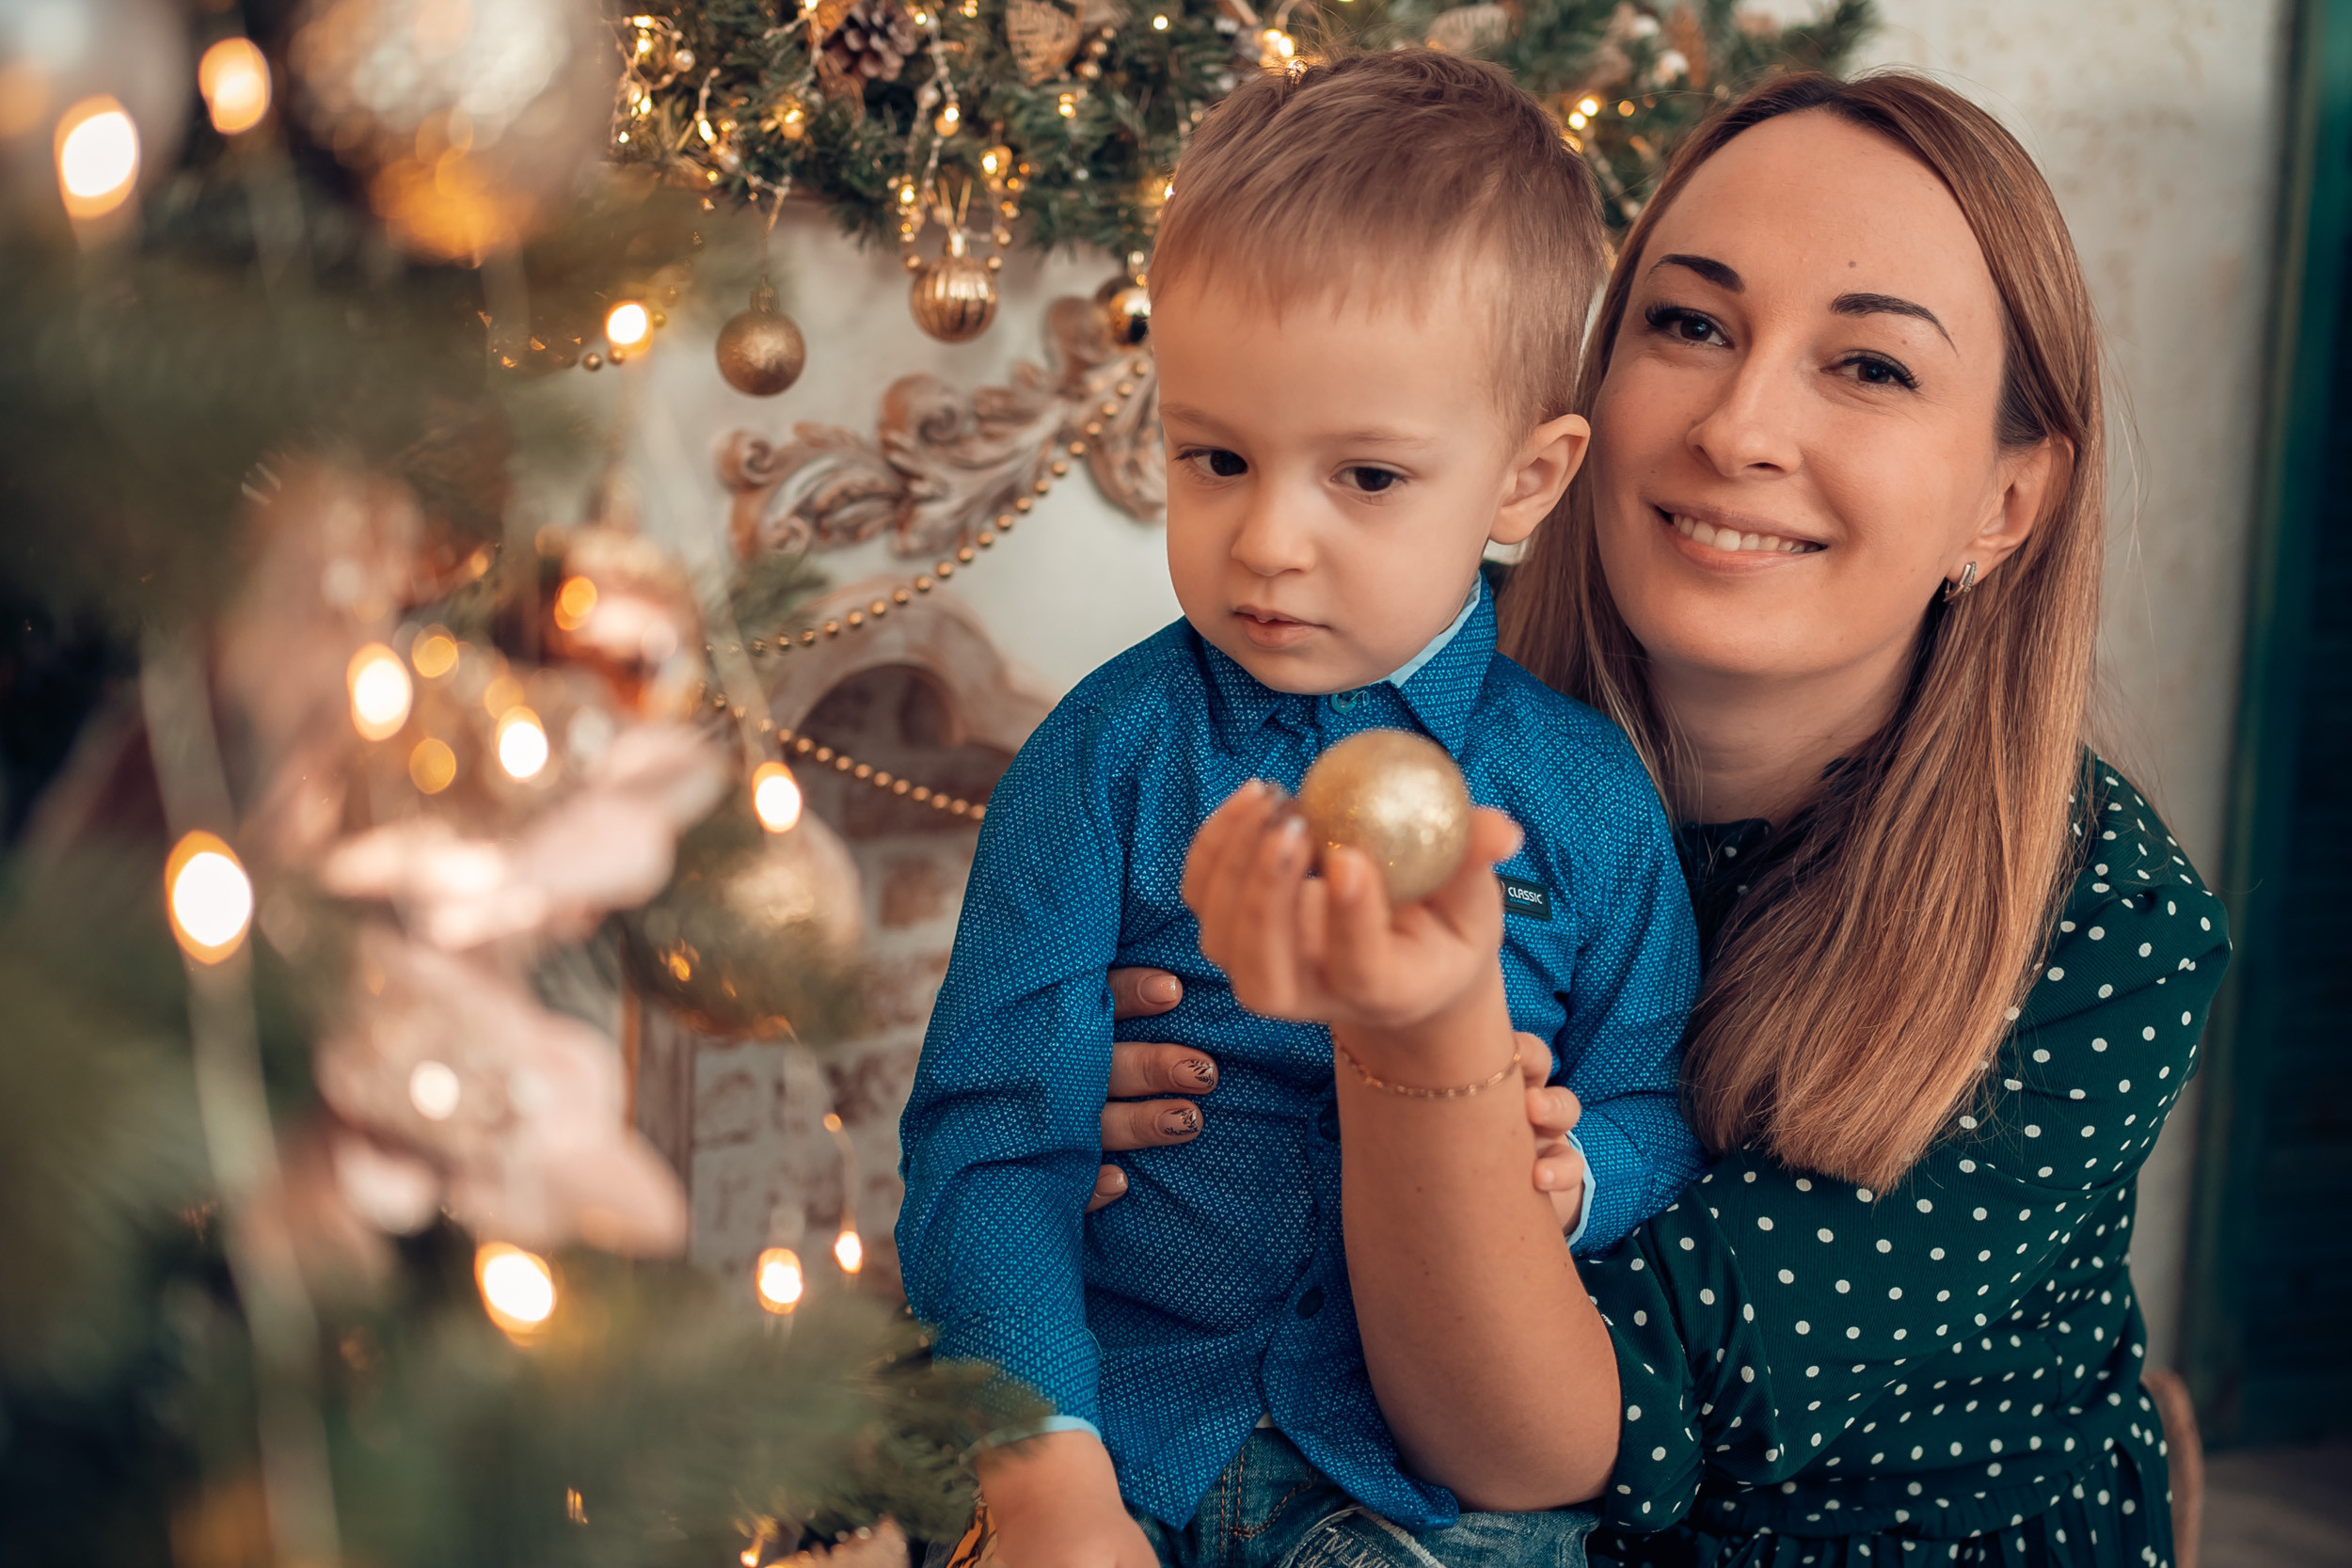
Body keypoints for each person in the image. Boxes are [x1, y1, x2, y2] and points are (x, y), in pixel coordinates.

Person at [1102, 71, 2230, 1568]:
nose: (1741, 427)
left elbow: (1528, 1445)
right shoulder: (1378, 680)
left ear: (2006, 505)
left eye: (1873, 369)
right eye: (1689, 326)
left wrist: (1406, 1034)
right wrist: (1118, 1104)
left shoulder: (2105, 924)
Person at [896, 49, 1709, 1568]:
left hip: (1427, 1494)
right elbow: (987, 1151)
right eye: (1215, 457)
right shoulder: (1102, 762)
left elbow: (1661, 1101)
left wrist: (1580, 1169)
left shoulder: (1587, 801)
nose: (1267, 539)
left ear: (1526, 483)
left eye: (1368, 478)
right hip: (1116, 1430)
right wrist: (1046, 1465)